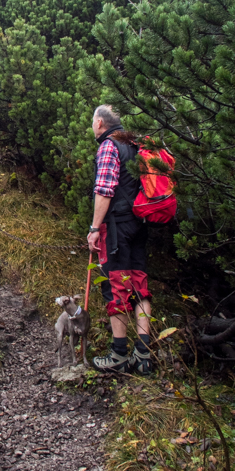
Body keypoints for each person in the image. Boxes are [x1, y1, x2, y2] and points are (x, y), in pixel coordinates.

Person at [87, 105, 152, 375]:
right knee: (140, 285)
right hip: (140, 223)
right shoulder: (136, 146)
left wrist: (94, 227)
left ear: (100, 123)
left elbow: (104, 191)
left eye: (92, 122)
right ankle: (144, 355)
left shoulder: (109, 147)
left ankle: (119, 354)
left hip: (116, 228)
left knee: (116, 287)